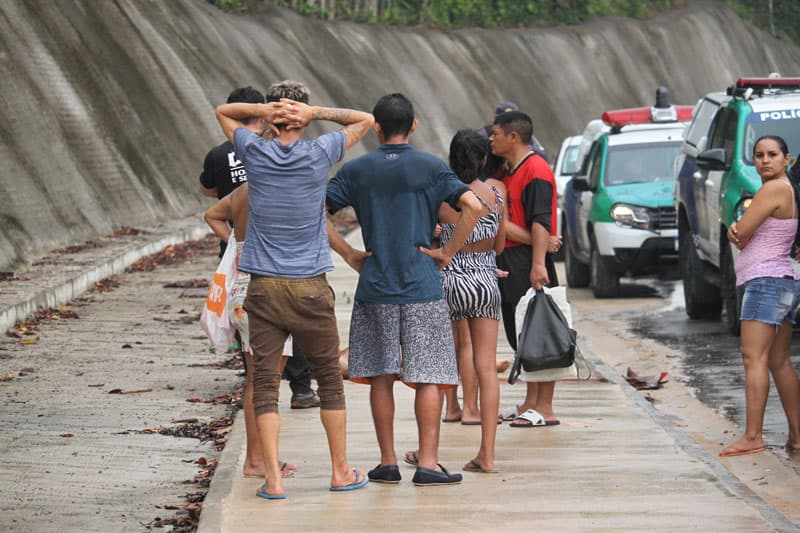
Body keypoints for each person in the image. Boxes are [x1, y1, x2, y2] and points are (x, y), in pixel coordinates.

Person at [215, 80, 374, 499]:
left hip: (263, 288)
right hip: (310, 288)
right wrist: (316, 112)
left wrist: (268, 113)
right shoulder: (320, 153)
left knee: (265, 384)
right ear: (301, 120)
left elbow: (222, 111)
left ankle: (272, 479)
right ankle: (340, 472)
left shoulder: (255, 151)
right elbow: (366, 120)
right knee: (330, 380)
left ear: (272, 118)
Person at [326, 93, 482, 486]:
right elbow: (475, 208)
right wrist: (447, 250)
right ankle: (428, 463)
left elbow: (313, 208)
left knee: (381, 376)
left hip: (376, 283)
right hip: (423, 287)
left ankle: (388, 462)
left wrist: (348, 253)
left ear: (376, 128)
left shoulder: (357, 169)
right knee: (427, 376)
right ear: (414, 125)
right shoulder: (430, 167)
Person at [200, 87, 319, 409]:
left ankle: (255, 390)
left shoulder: (218, 155)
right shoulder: (271, 154)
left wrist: (235, 242)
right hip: (279, 266)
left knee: (254, 357)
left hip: (239, 260)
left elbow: (207, 196)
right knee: (293, 330)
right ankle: (301, 388)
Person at [204, 183, 297, 479]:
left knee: (257, 379)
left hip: (242, 292)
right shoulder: (277, 189)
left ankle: (257, 458)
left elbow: (212, 215)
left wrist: (236, 244)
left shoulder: (243, 191)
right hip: (270, 286)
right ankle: (261, 461)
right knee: (269, 381)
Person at [721, 135, 800, 457]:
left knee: (753, 358)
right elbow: (743, 231)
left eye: (772, 154)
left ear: (787, 159)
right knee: (779, 362)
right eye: (759, 155)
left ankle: (753, 436)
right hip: (784, 281)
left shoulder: (774, 189)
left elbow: (741, 231)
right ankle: (797, 437)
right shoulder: (787, 190)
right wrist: (740, 229)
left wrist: (736, 227)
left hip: (766, 282)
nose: (765, 160)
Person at [438, 129, 506, 473]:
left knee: (437, 362)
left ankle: (428, 453)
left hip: (449, 278)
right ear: (483, 159)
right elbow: (499, 247)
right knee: (487, 365)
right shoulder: (495, 194)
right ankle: (487, 456)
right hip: (484, 278)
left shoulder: (442, 197)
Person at [489, 110, 561, 428]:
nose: (491, 139)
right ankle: (531, 402)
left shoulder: (536, 170)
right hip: (515, 261)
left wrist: (538, 263)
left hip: (530, 264)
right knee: (521, 336)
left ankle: (545, 408)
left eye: (496, 133)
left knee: (540, 336)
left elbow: (540, 221)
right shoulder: (510, 170)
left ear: (513, 137)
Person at [477, 102, 549, 163]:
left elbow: (541, 155)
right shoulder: (483, 134)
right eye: (504, 119)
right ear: (495, 118)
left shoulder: (525, 136)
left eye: (513, 120)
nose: (508, 123)